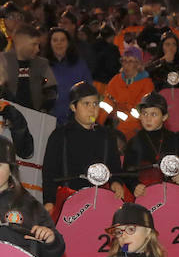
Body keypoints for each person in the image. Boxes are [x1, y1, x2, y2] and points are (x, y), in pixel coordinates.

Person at [41, 81, 126, 214]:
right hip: (67, 201)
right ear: (73, 107)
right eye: (86, 104)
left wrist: (116, 182)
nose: (92, 109)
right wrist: (49, 201)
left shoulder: (107, 136)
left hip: (99, 201)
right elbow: (49, 173)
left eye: (95, 104)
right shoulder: (60, 135)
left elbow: (115, 168)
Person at [2, 24, 57, 117]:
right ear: (20, 43)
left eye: (38, 45)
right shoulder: (1, 62)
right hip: (6, 118)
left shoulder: (42, 64)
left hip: (35, 117)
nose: (37, 49)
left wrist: (44, 109)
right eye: (34, 44)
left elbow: (52, 90)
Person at [101, 46, 153, 141]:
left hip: (135, 124)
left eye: (130, 61)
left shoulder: (146, 84)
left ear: (138, 64)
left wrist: (120, 115)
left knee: (120, 134)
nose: (126, 64)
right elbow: (106, 103)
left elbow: (138, 112)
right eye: (124, 61)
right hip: (115, 120)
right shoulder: (116, 80)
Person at [43, 27, 93, 124]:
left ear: (68, 43)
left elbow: (89, 90)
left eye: (62, 40)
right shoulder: (43, 65)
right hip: (49, 118)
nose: (59, 43)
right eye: (55, 40)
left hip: (74, 119)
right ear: (50, 43)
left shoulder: (80, 65)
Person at [145, 30, 179, 100]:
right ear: (162, 46)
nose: (171, 48)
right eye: (167, 44)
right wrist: (162, 61)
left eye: (174, 44)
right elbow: (144, 73)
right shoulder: (156, 63)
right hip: (159, 103)